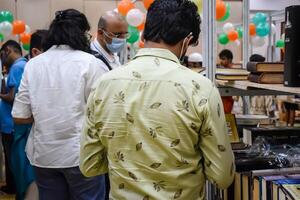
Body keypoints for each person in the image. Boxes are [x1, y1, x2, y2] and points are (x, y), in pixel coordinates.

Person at [80, 0, 235, 199]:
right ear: (187, 40)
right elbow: (222, 177)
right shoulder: (201, 89)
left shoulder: (104, 85)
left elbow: (89, 165)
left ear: (144, 34)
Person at [12, 9, 107, 200]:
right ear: (80, 34)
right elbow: (104, 113)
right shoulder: (91, 63)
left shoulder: (33, 64)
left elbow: (20, 116)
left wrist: (44, 114)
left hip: (44, 156)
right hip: (81, 155)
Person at [10, 29, 48, 200]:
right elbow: (20, 111)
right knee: (29, 185)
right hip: (26, 137)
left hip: (39, 140)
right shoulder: (25, 68)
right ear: (35, 52)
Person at [0, 40, 27, 194]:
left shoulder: (17, 67)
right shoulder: (23, 65)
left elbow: (13, 97)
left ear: (9, 50)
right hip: (13, 122)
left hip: (11, 124)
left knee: (14, 162)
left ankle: (17, 191)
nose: (2, 60)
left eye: (2, 55)